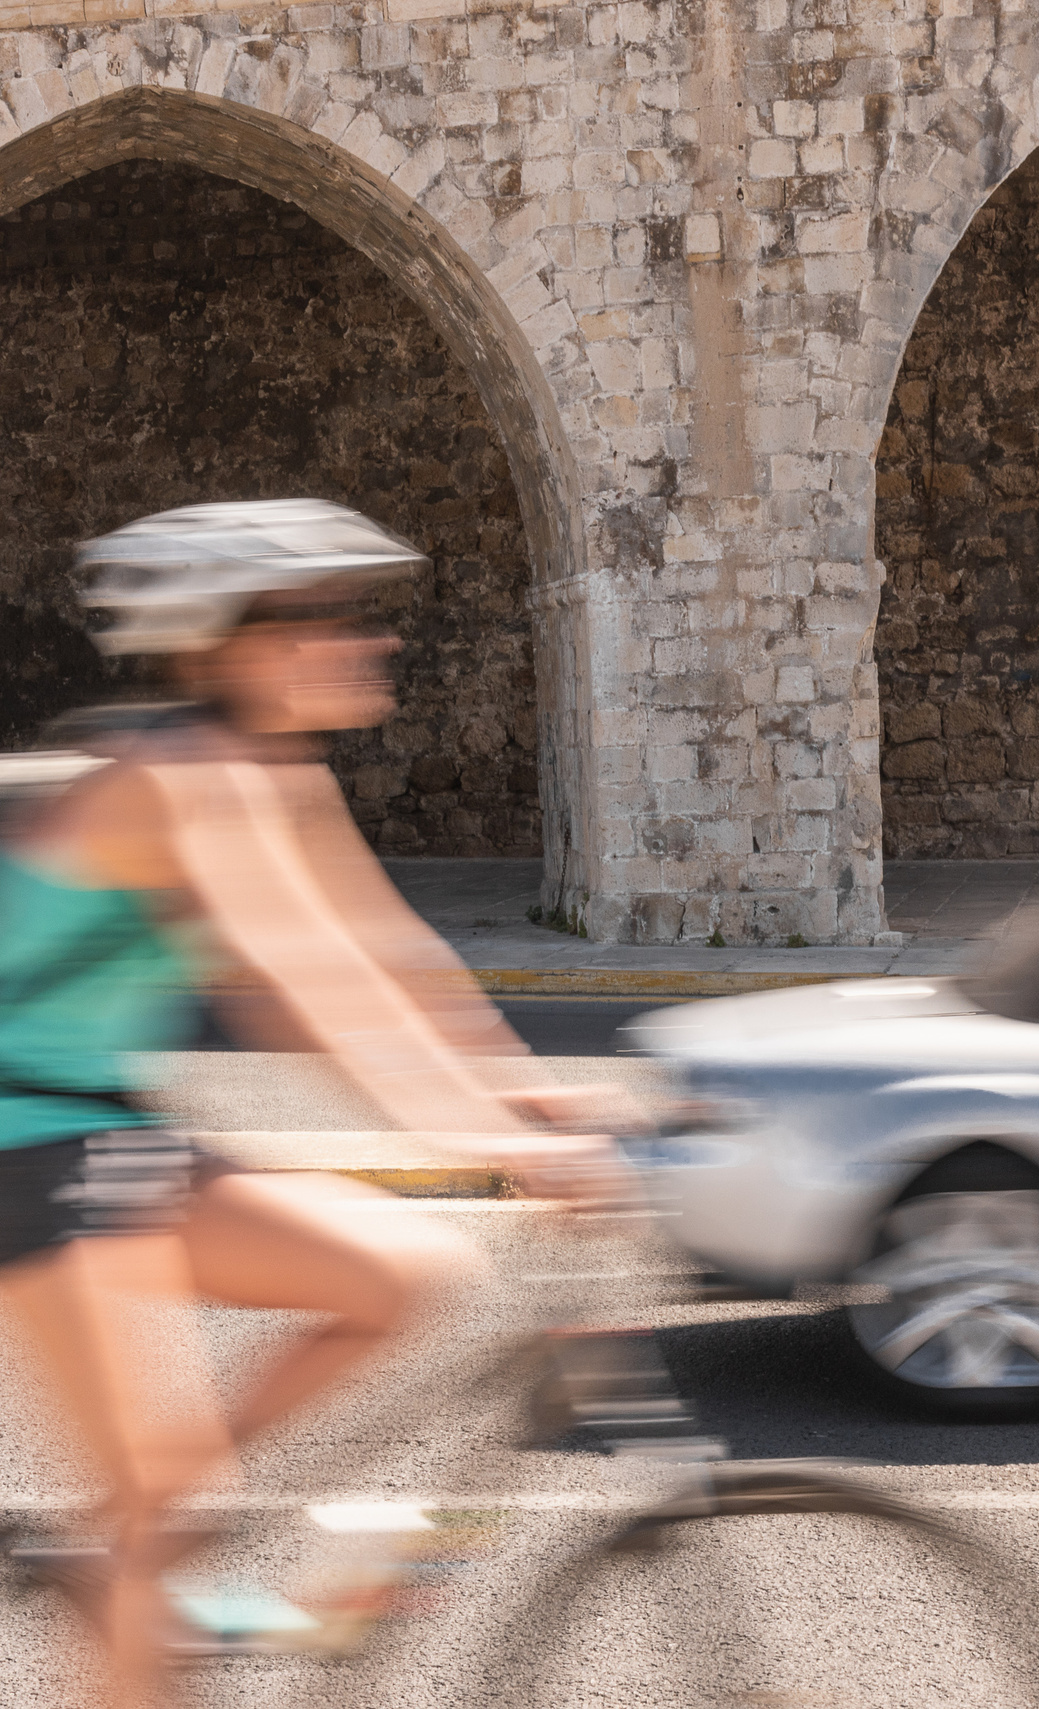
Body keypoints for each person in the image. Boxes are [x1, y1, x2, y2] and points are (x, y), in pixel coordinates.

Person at [0, 500, 626, 1706]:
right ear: (227, 641)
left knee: (403, 1276)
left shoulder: (270, 775)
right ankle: (146, 1536)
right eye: (323, 616)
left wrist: (529, 1094)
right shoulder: (178, 775)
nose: (367, 639)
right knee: (163, 1495)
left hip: (104, 1128)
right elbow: (306, 984)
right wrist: (491, 1140)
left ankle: (135, 1537)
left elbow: (393, 961)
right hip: (24, 1142)